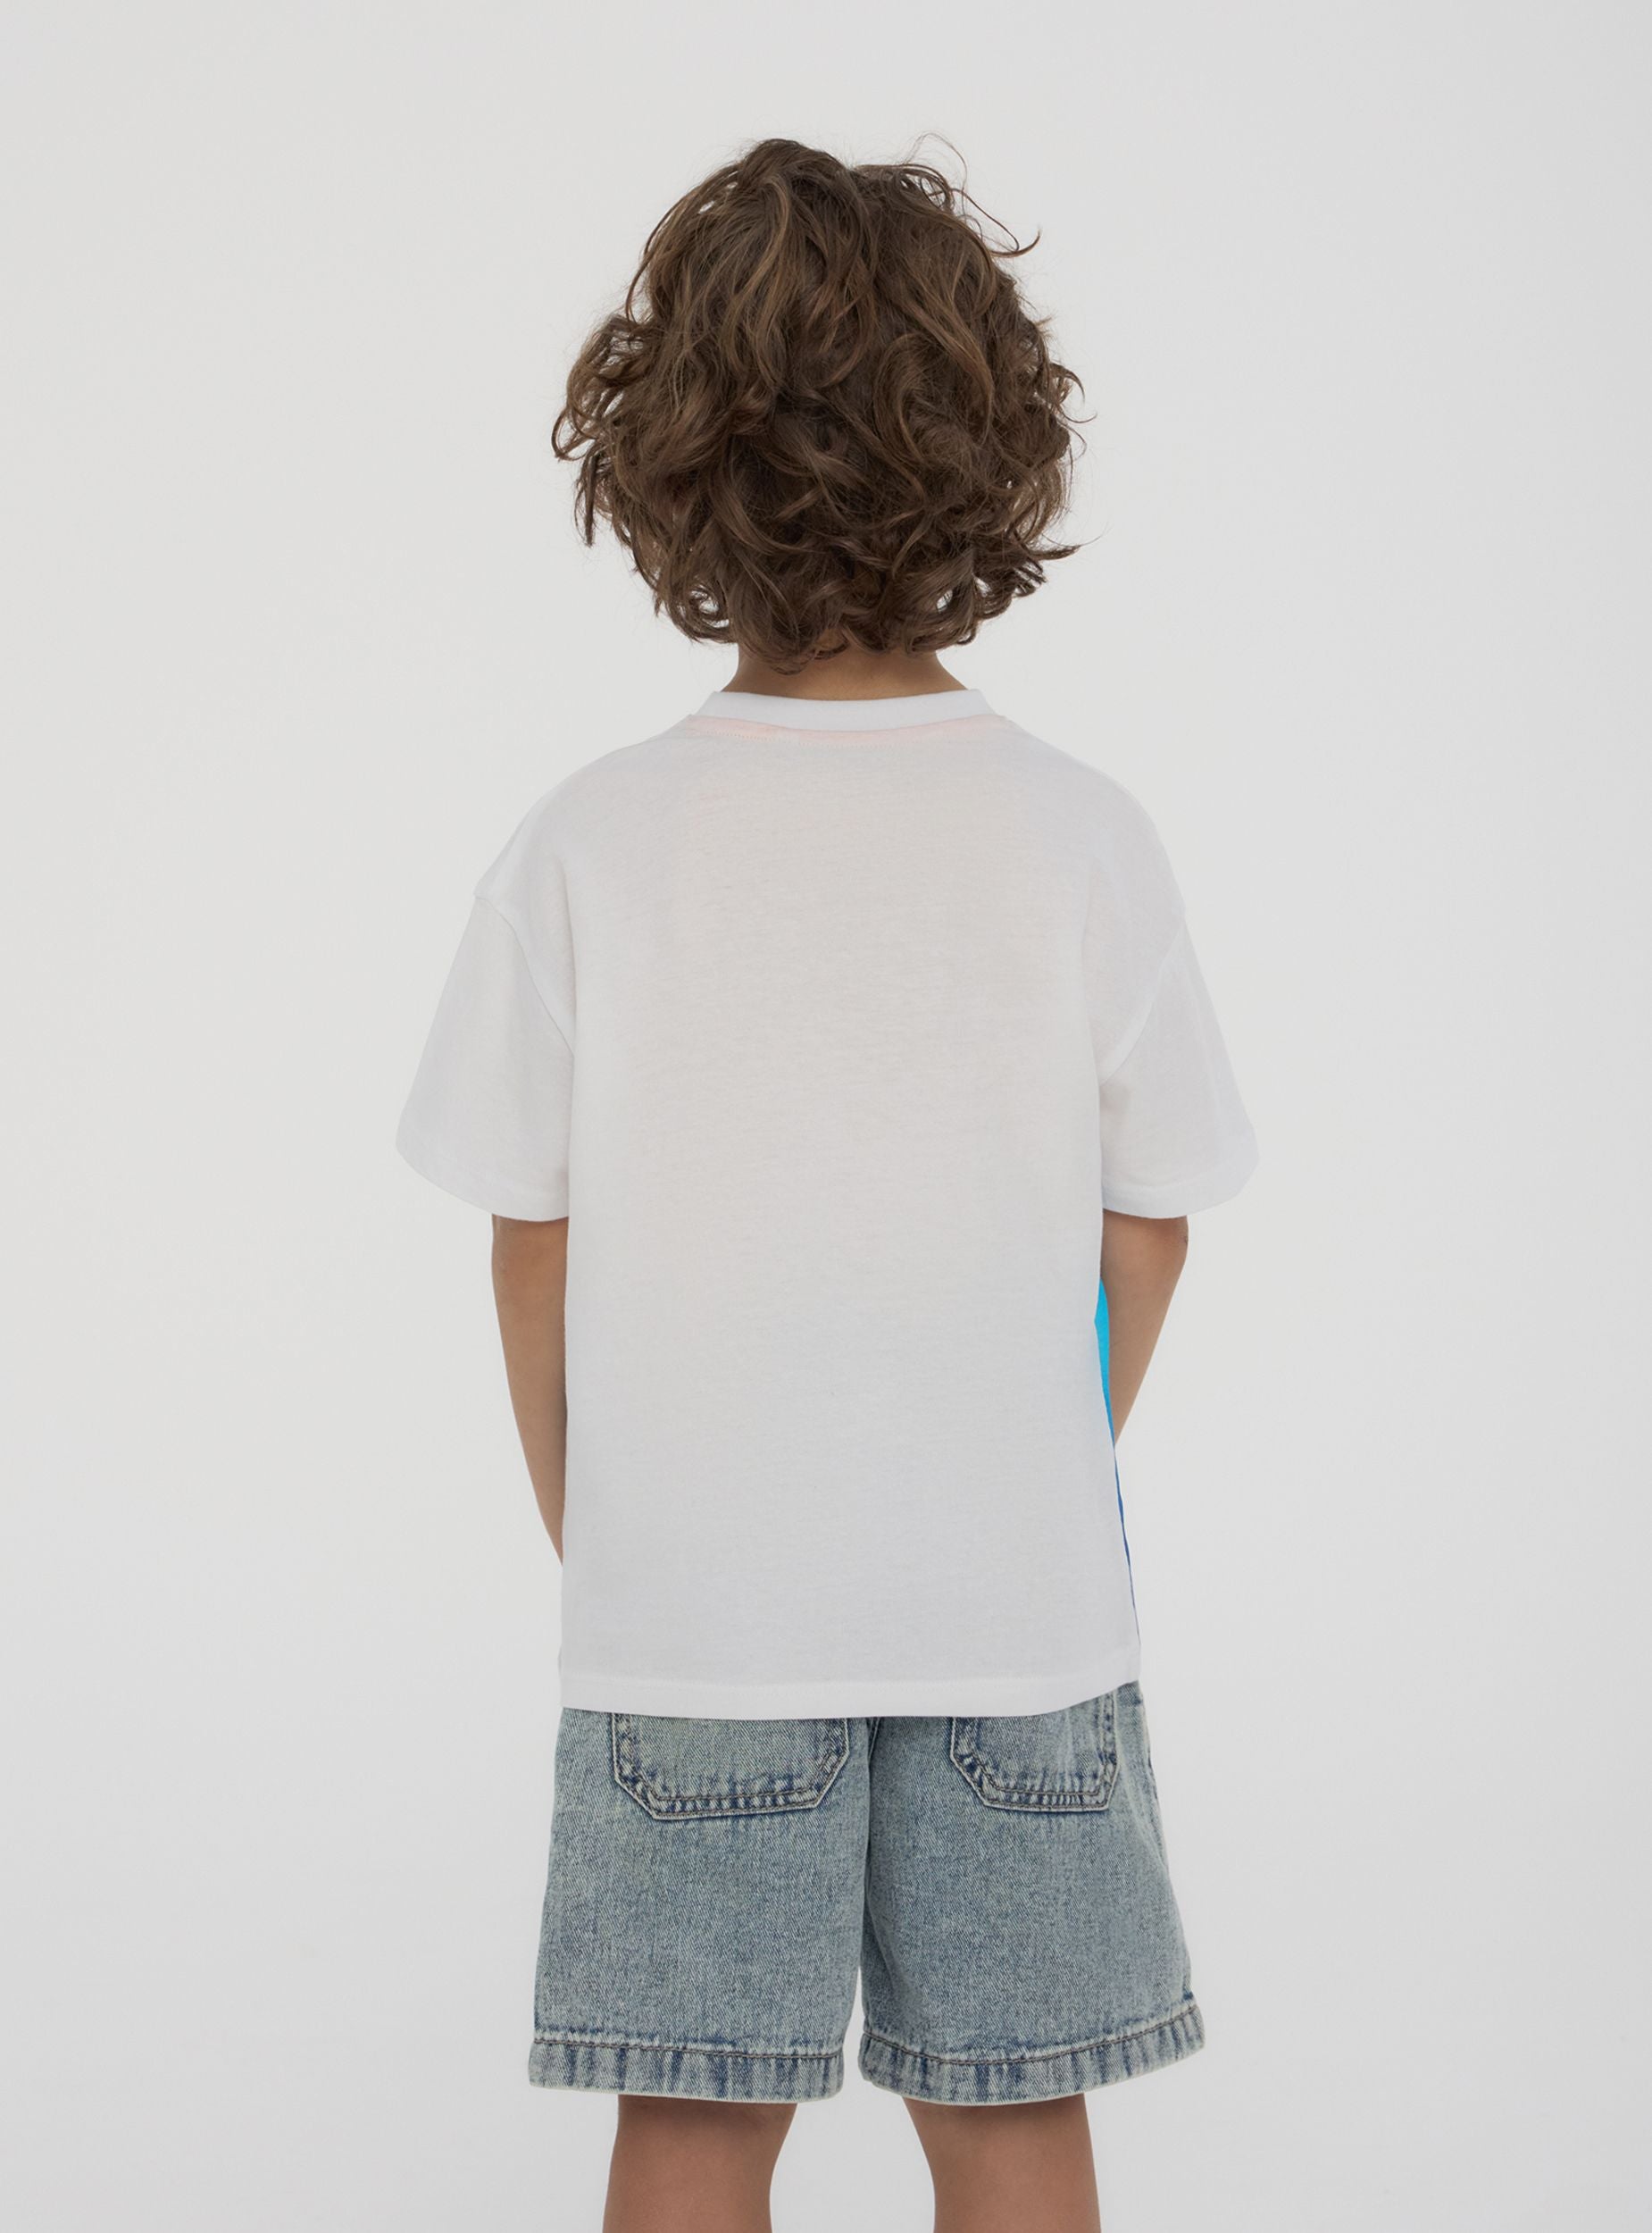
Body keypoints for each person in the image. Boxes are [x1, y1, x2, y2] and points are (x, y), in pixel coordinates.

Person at [396, 137, 1258, 2233]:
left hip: (693, 1617)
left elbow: (532, 1236)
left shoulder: (592, 840)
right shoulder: (1080, 831)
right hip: (1015, 1612)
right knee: (1015, 2115)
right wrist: (1039, 1442)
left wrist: (608, 1526)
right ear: (998, 447)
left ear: (664, 465)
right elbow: (1151, 1213)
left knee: (694, 2123)